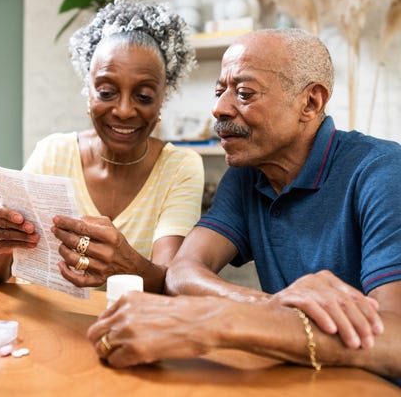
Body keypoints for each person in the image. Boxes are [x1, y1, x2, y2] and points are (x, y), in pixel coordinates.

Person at [86, 28, 401, 383]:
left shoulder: (383, 172)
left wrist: (219, 322)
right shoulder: (247, 174)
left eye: (244, 93)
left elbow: (396, 341)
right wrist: (269, 307)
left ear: (310, 103)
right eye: (220, 91)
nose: (219, 107)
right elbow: (182, 272)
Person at [0, 0, 204, 293]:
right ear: (88, 91)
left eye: (143, 96)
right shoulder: (53, 153)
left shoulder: (180, 167)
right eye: (106, 92)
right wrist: (0, 241)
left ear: (162, 99)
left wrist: (125, 262)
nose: (123, 110)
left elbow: (170, 284)